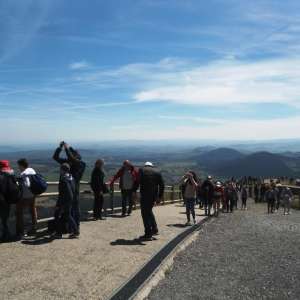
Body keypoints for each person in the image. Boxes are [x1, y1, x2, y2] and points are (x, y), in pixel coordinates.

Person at [53, 142, 86, 234]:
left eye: (74, 155)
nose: (70, 157)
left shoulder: (80, 164)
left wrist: (67, 148)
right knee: (67, 211)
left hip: (74, 190)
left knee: (74, 209)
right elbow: (55, 157)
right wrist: (60, 148)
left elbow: (72, 158)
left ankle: (75, 227)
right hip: (66, 190)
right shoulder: (68, 163)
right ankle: (67, 228)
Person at [136, 162, 164, 240]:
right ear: (152, 166)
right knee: (149, 211)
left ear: (145, 166)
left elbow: (137, 181)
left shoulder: (141, 170)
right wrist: (160, 196)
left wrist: (134, 191)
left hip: (145, 195)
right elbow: (162, 185)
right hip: (153, 196)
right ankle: (154, 229)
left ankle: (148, 234)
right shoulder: (157, 171)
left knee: (145, 214)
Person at [53, 163, 79, 239]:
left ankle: (58, 233)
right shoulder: (71, 177)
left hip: (64, 200)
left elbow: (62, 193)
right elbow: (73, 189)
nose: (60, 171)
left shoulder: (63, 179)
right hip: (70, 199)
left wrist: (58, 204)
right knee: (68, 215)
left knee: (57, 215)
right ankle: (76, 231)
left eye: (60, 169)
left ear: (63, 170)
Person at [16, 158, 37, 237]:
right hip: (33, 194)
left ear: (21, 165)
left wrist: (19, 184)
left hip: (26, 196)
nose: (18, 167)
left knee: (19, 212)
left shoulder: (24, 173)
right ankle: (34, 228)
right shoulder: (32, 170)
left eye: (19, 166)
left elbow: (27, 184)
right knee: (32, 210)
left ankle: (21, 231)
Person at [0, 160, 15, 242]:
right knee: (5, 219)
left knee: (3, 219)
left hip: (2, 201)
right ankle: (7, 235)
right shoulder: (11, 175)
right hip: (9, 200)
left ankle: (5, 235)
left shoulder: (1, 176)